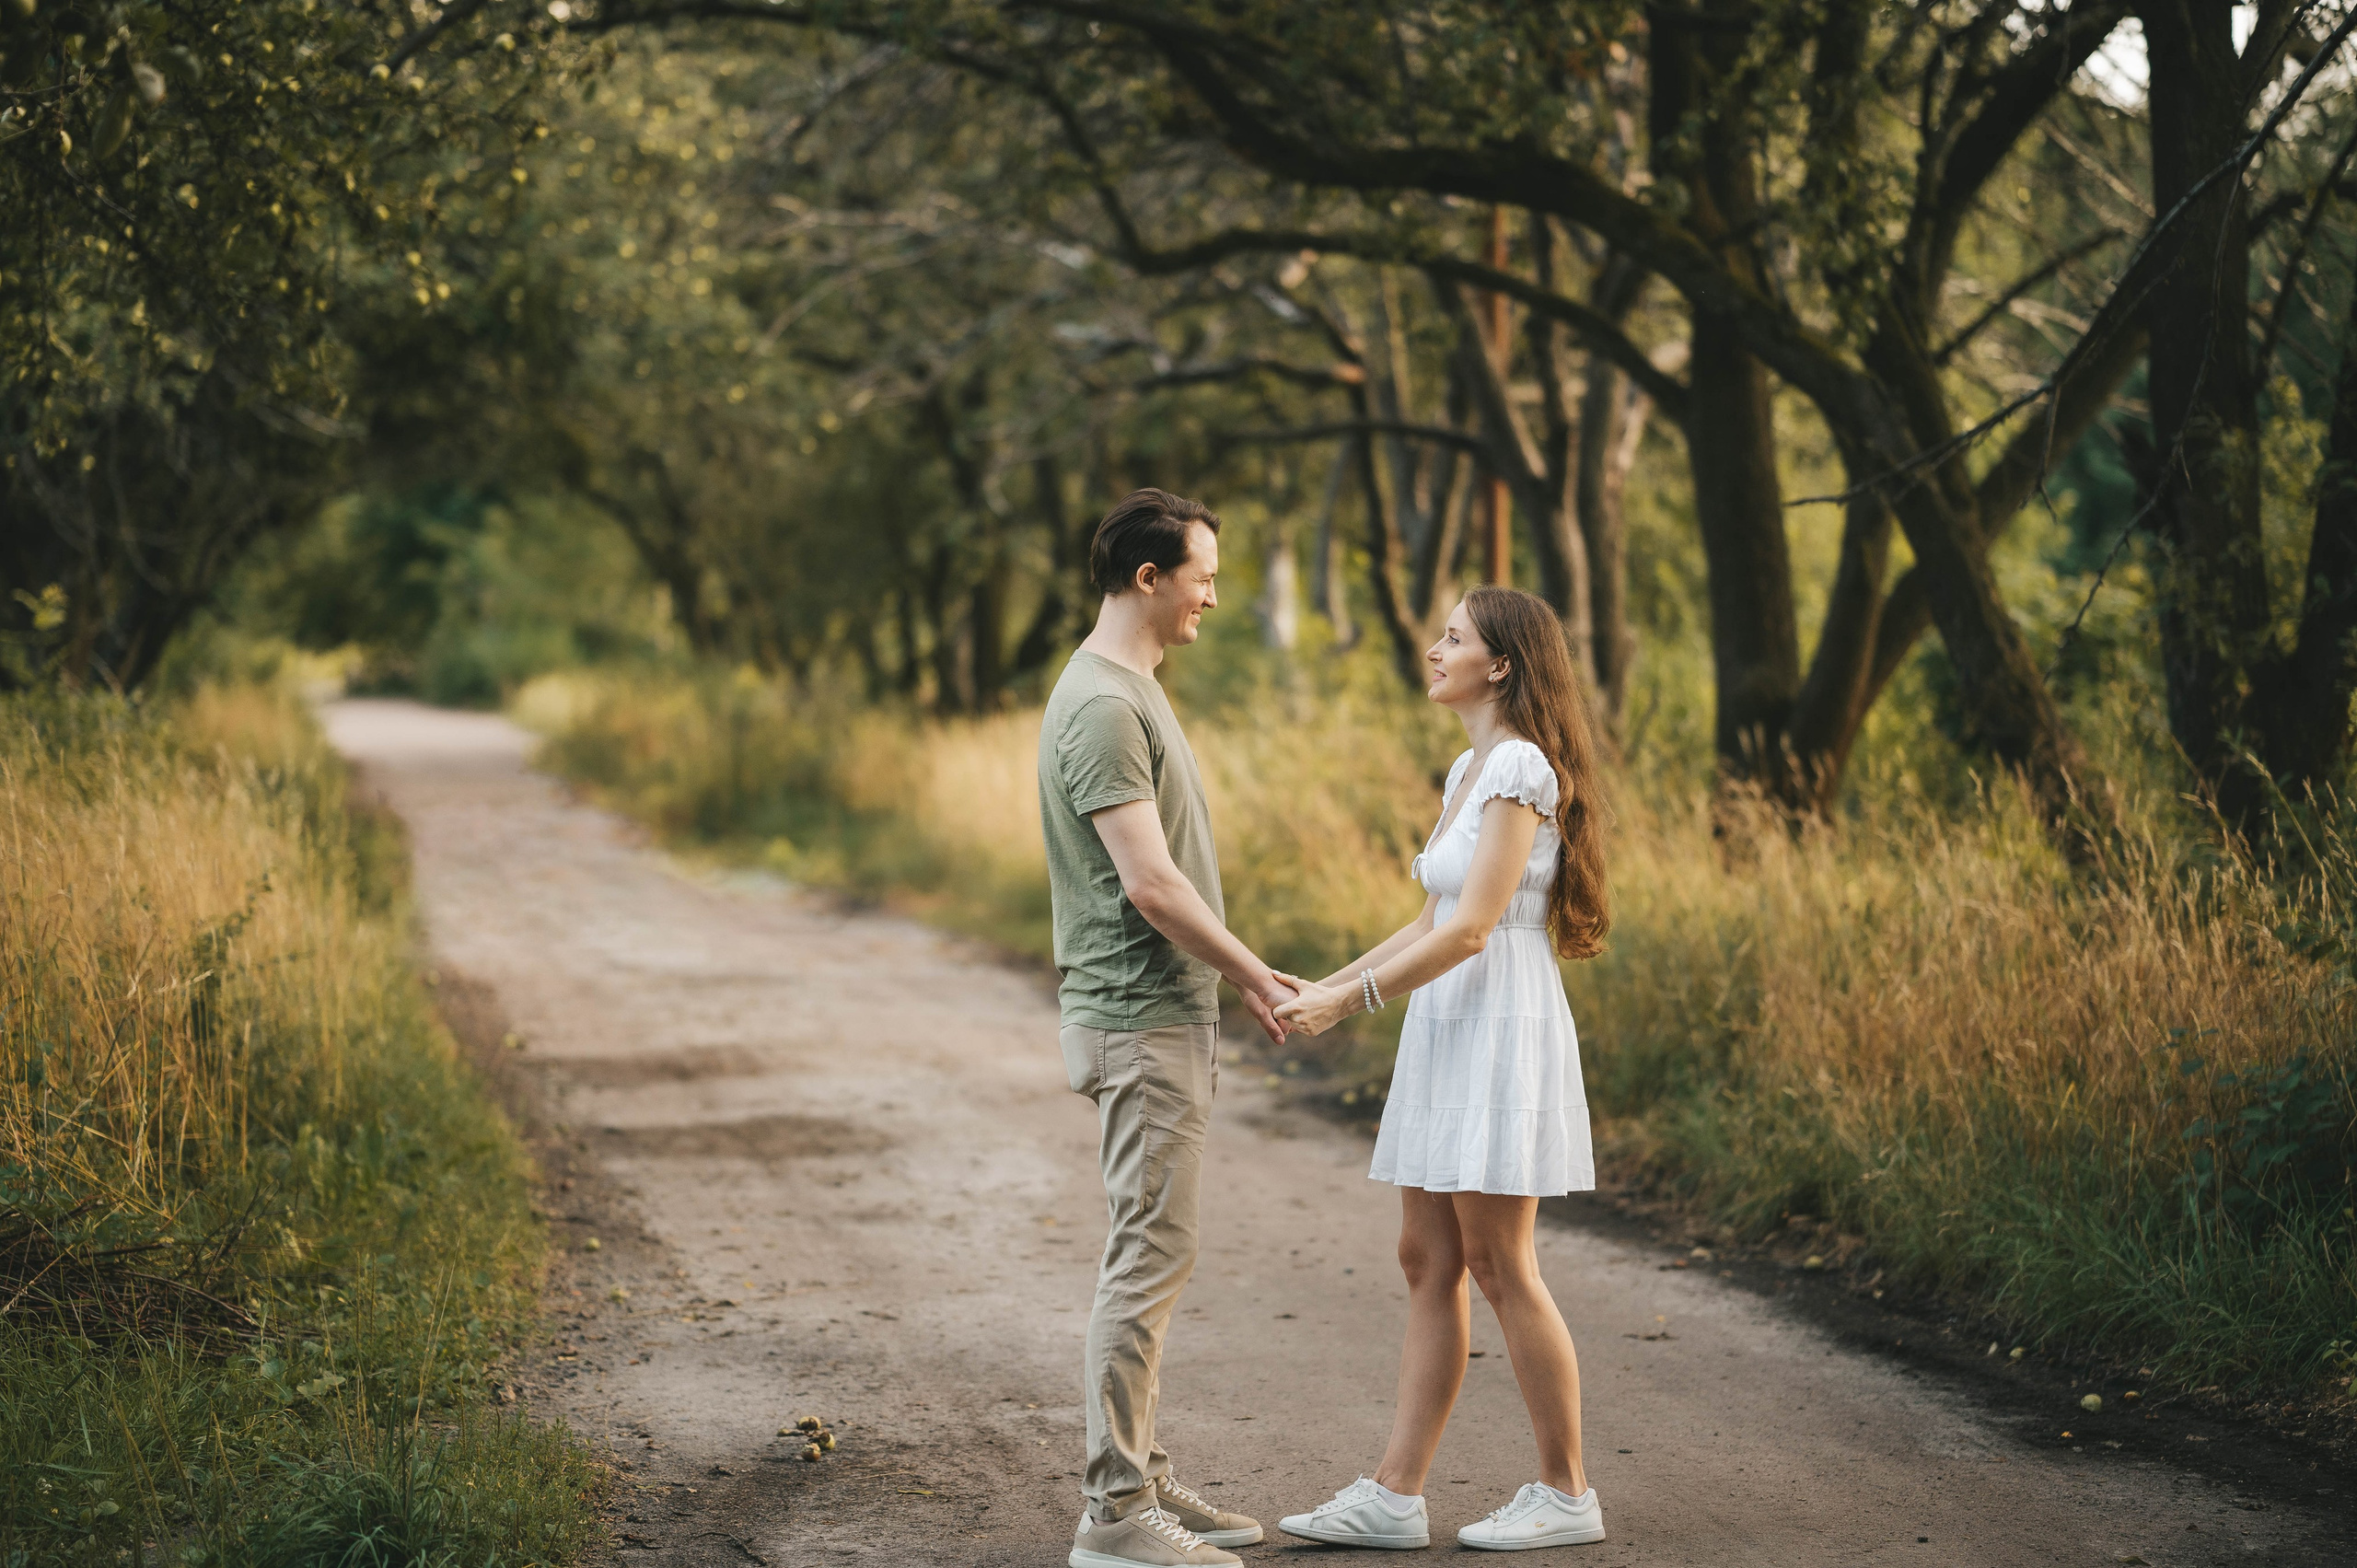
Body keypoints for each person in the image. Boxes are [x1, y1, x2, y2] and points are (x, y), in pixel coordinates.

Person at [1272, 585, 1613, 1553]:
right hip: (1445, 1019)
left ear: (1500, 664)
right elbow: (1426, 920)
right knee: (1427, 1256)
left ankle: (1566, 1491)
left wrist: (1353, 1001)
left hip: (1498, 1015)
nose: (1433, 648)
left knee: (1502, 1262)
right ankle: (1394, 1494)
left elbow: (1472, 928)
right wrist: (1319, 985)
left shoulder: (1518, 765)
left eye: (1453, 636)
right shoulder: (1467, 766)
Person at [1039, 488, 1296, 1568]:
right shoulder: (1103, 704)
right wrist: (1250, 973)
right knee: (1146, 1257)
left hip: (1157, 1020)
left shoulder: (1131, 686)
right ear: (1147, 577)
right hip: (1140, 1020)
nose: (1211, 595)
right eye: (1200, 574)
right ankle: (1112, 1516)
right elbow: (1150, 881)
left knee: (1156, 1249)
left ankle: (1137, 1473)